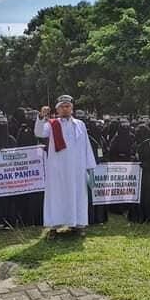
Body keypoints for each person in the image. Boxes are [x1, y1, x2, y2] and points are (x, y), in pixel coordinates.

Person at [34, 95, 96, 238]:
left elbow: (86, 145)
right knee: (57, 196)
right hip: (58, 169)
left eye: (68, 106)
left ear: (72, 108)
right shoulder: (52, 124)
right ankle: (54, 227)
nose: (65, 109)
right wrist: (41, 116)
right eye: (62, 106)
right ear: (57, 109)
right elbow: (39, 132)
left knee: (78, 196)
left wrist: (89, 166)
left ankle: (78, 225)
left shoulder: (80, 124)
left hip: (77, 169)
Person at [128, 124, 150, 223]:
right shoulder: (139, 145)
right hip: (145, 176)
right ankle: (145, 215)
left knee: (148, 196)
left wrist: (144, 164)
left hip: (148, 175)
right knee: (147, 196)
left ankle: (146, 216)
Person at [14, 114, 44, 227]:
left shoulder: (43, 129)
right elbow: (18, 148)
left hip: (40, 169)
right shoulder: (22, 130)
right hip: (26, 169)